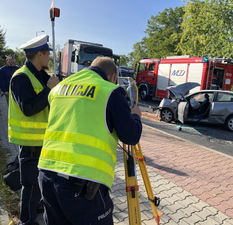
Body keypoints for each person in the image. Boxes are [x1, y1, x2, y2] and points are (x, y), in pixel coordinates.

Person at [37, 57, 142, 225]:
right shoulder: (110, 91)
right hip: (81, 184)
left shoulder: (59, 88)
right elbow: (130, 136)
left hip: (46, 175)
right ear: (113, 76)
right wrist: (136, 115)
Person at [8, 34, 60, 225]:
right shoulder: (21, 77)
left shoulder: (38, 74)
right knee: (30, 186)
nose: (49, 58)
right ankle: (26, 222)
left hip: (43, 141)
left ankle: (35, 211)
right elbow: (28, 108)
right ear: (39, 54)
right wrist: (48, 89)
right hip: (30, 143)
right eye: (47, 54)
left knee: (39, 185)